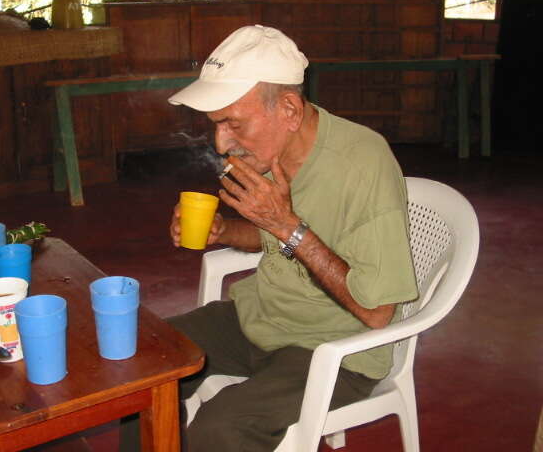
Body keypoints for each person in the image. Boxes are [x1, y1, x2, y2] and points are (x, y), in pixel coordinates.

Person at [122, 24, 418, 451]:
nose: (222, 144)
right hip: (261, 318)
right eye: (215, 125)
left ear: (290, 110)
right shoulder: (270, 156)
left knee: (220, 428)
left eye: (233, 124)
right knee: (144, 367)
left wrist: (286, 225)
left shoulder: (363, 166)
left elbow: (376, 312)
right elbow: (274, 240)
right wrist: (225, 231)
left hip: (335, 349)